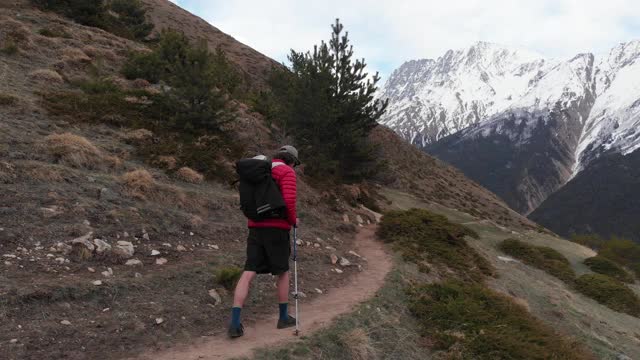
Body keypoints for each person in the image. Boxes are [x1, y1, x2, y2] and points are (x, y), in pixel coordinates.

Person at [228, 145, 301, 338]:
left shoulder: (260, 168)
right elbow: (289, 201)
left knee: (249, 271)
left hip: (255, 227)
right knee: (282, 271)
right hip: (276, 229)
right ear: (291, 161)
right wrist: (294, 221)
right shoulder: (286, 171)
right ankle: (283, 317)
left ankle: (235, 323)